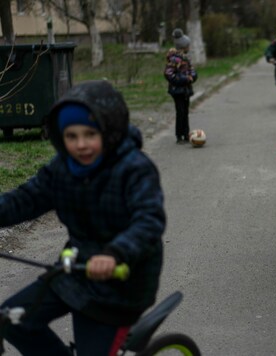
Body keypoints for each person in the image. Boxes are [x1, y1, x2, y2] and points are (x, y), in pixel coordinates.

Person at [0, 80, 166, 355]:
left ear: (109, 131)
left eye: (90, 134)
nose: (81, 145)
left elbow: (149, 220)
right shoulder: (62, 168)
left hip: (121, 282)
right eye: (71, 136)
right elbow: (24, 200)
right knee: (12, 320)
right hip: (76, 269)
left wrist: (115, 254)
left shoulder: (134, 168)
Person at [164, 28, 198, 144]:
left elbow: (192, 70)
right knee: (180, 112)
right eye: (188, 46)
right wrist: (183, 79)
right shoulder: (175, 59)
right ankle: (179, 135)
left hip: (186, 89)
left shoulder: (186, 58)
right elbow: (168, 74)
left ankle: (186, 134)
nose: (189, 48)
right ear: (183, 47)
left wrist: (193, 76)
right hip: (177, 90)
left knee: (186, 112)